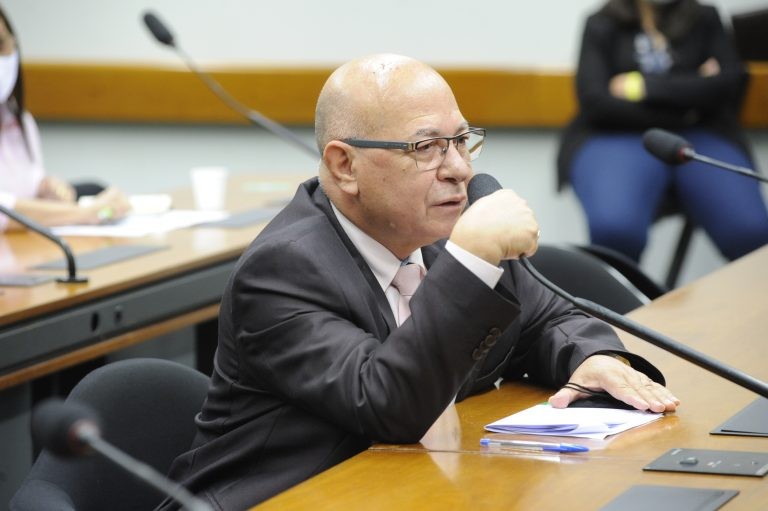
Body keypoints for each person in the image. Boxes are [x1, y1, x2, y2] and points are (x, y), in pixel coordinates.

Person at [159, 53, 679, 511]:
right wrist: (471, 260)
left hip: (402, 487)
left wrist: (589, 358)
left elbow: (549, 317)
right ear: (344, 167)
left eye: (461, 140)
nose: (458, 169)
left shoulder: (434, 226)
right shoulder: (281, 272)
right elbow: (386, 403)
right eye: (426, 147)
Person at [557, 0, 768, 263]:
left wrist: (642, 87)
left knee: (750, 231)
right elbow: (596, 102)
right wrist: (691, 96)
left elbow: (729, 85)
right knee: (616, 229)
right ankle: (624, 303)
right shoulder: (602, 22)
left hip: (702, 135)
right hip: (616, 135)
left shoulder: (704, 18)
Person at [0, 6, 129, 232]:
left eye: (0, 45)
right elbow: (5, 213)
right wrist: (88, 213)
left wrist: (46, 189)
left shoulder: (20, 122)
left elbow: (23, 194)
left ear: (15, 45)